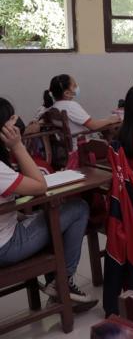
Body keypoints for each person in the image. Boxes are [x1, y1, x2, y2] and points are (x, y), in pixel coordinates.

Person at [0, 98, 97, 308]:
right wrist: (17, 146)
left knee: (50, 216)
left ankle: (58, 279)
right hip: (6, 247)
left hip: (6, 233)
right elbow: (39, 186)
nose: (17, 123)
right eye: (11, 119)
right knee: (78, 208)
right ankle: (62, 281)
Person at [42, 74, 121, 149]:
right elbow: (93, 125)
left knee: (109, 133)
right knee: (115, 143)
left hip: (69, 146)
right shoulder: (70, 106)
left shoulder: (53, 107)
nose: (77, 87)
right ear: (67, 93)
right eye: (74, 86)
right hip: (82, 147)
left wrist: (106, 121)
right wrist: (110, 120)